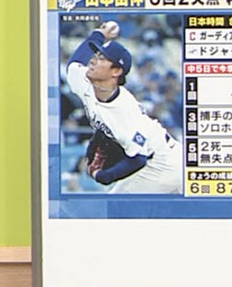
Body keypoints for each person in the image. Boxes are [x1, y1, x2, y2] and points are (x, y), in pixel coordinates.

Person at [65, 22, 181, 194]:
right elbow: (74, 64)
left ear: (116, 71)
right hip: (149, 160)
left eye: (101, 59)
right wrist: (98, 35)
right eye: (95, 55)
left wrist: (102, 176)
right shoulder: (84, 82)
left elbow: (138, 159)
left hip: (163, 163)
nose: (92, 61)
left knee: (114, 206)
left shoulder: (124, 110)